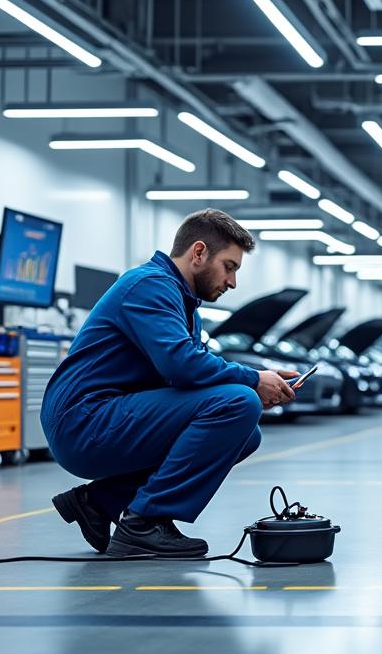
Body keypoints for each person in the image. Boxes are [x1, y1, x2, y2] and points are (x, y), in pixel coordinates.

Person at [42, 209, 299, 558]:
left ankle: (99, 502)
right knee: (238, 403)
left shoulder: (184, 304)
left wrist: (256, 384)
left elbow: (196, 373)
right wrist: (253, 380)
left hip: (105, 418)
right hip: (83, 421)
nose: (232, 282)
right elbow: (182, 365)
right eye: (229, 267)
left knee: (244, 431)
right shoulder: (150, 285)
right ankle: (144, 523)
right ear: (198, 253)